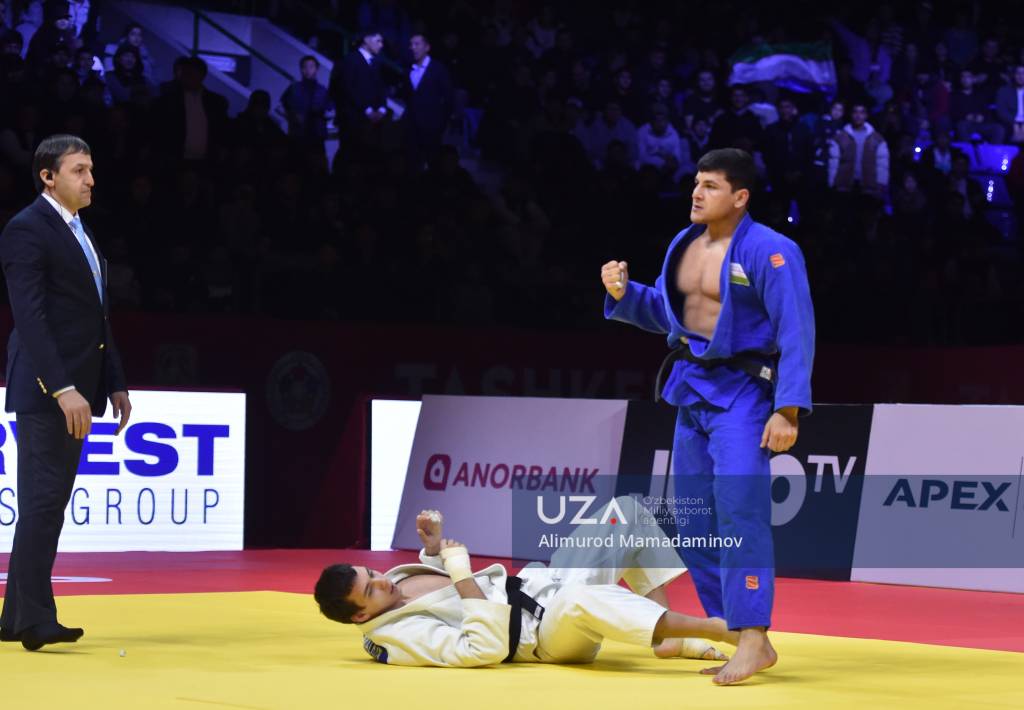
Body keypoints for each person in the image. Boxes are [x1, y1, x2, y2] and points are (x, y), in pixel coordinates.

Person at [600, 148, 815, 685]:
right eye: (696, 183)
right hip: (692, 391)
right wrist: (626, 295)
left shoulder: (771, 251)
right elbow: (676, 316)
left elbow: (796, 330)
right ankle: (730, 630)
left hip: (744, 395)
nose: (697, 193)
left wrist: (787, 409)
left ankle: (754, 634)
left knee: (740, 514)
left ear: (740, 197)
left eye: (711, 186)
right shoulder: (684, 243)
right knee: (696, 521)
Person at [315, 502, 737, 668]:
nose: (383, 582)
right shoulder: (397, 638)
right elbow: (482, 649)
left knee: (626, 512)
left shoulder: (393, 583)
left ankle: (665, 637)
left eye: (372, 574)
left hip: (540, 585)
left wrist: (434, 550)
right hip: (544, 638)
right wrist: (461, 574)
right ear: (360, 617)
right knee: (580, 599)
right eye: (370, 591)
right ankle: (715, 628)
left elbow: (436, 590)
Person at [0, 134, 131, 651]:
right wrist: (62, 388)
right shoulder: (27, 229)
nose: (91, 179)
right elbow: (29, 318)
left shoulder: (80, 231)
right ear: (48, 177)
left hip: (78, 385)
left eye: (91, 169)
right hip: (48, 389)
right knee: (43, 502)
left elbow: (97, 316)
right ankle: (36, 621)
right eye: (79, 170)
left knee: (48, 503)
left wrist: (114, 381)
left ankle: (16, 618)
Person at [404, 33, 453, 170]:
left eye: (417, 44)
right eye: (411, 44)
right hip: (412, 128)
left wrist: (441, 124)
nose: (412, 47)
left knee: (433, 165)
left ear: (427, 47)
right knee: (413, 165)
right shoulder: (408, 69)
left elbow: (448, 98)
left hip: (432, 127)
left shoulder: (438, 69)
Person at [280, 54, 334, 150]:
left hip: (316, 137)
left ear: (316, 69)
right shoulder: (293, 88)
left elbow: (330, 111)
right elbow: (281, 107)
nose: (308, 70)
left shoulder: (323, 91)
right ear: (301, 69)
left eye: (311, 67)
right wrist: (293, 117)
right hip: (297, 136)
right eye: (305, 67)